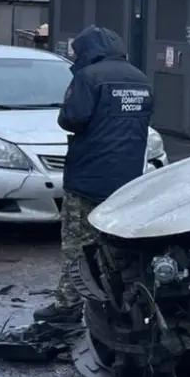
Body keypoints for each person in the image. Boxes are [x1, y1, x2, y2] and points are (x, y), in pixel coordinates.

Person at [35, 25, 154, 322]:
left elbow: (71, 119)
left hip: (88, 178)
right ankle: (115, 304)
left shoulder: (88, 77)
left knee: (77, 246)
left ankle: (68, 305)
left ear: (88, 51)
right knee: (116, 247)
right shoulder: (140, 79)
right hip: (126, 180)